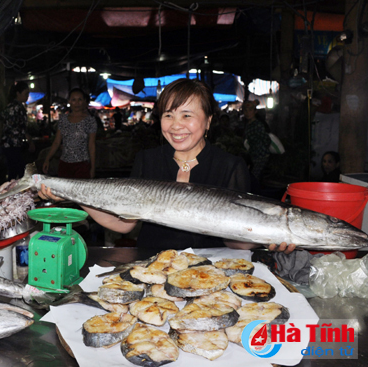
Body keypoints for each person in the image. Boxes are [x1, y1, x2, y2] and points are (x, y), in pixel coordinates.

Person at [40, 78, 294, 254]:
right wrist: (73, 194)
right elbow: (125, 223)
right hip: (152, 265)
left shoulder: (230, 165)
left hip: (209, 272)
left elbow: (233, 238)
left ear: (208, 121)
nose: (175, 125)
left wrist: (266, 238)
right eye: (168, 115)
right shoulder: (148, 160)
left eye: (187, 115)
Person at [43, 88, 97, 179]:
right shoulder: (63, 120)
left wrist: (92, 167)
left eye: (80, 99)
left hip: (82, 165)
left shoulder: (90, 121)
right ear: (69, 101)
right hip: (64, 165)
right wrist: (47, 159)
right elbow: (56, 142)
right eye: (74, 100)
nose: (77, 103)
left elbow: (91, 145)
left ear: (84, 101)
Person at [1, 81, 35, 180]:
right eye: (26, 94)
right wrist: (30, 141)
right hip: (14, 145)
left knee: (13, 171)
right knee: (19, 172)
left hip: (8, 144)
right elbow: (20, 128)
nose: (27, 96)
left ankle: (11, 192)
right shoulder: (18, 107)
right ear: (18, 93)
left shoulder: (10, 106)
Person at [243, 100, 271, 182]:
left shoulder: (258, 124)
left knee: (254, 178)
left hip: (261, 155)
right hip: (253, 155)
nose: (247, 113)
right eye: (246, 110)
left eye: (250, 110)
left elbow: (266, 139)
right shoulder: (248, 124)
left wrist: (262, 150)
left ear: (255, 111)